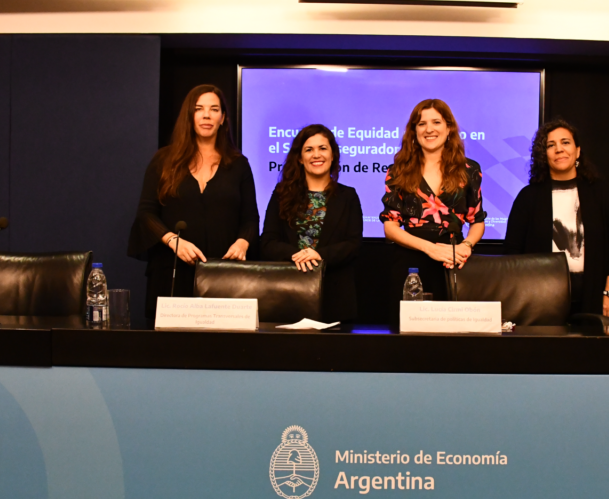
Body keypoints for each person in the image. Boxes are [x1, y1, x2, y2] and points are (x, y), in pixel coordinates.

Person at [128, 84, 259, 328]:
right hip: (171, 271)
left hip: (223, 272)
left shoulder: (239, 164)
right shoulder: (163, 160)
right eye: (199, 109)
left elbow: (250, 218)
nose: (206, 115)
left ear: (223, 118)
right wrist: (172, 241)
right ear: (189, 116)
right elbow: (146, 214)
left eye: (214, 109)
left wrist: (243, 242)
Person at [504, 119, 609, 318]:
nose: (559, 149)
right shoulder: (528, 197)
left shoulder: (601, 192)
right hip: (540, 299)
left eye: (565, 142)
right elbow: (512, 252)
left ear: (577, 151)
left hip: (594, 297)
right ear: (544, 155)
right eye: (550, 145)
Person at [380, 99, 487, 318]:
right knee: (408, 333)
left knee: (452, 332)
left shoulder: (469, 169)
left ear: (449, 128)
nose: (429, 129)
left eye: (436, 122)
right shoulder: (398, 170)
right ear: (414, 131)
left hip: (453, 262)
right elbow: (390, 228)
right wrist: (430, 249)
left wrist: (466, 245)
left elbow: (477, 221)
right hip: (410, 267)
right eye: (422, 123)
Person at [261, 124, 363, 322]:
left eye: (322, 148)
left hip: (335, 298)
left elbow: (353, 244)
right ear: (300, 158)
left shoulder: (348, 196)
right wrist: (297, 256)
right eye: (309, 149)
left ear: (333, 155)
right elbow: (268, 243)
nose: (316, 155)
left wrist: (319, 255)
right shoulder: (281, 194)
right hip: (288, 293)